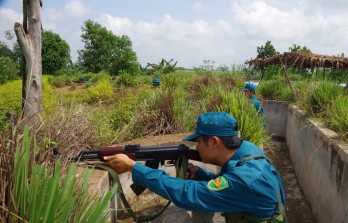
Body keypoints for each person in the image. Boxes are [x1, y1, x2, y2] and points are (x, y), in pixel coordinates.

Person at [104, 112, 287, 223]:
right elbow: (225, 186)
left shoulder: (246, 179)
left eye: (198, 142)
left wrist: (134, 168)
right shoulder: (247, 151)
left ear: (214, 142)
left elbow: (187, 194)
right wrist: (200, 174)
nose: (197, 148)